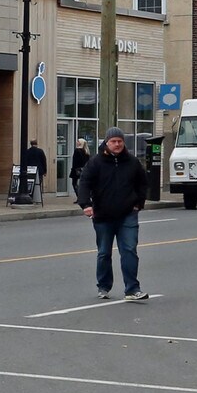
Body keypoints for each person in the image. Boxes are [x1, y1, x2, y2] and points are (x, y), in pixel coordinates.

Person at [74, 127, 149, 301]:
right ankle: (103, 286)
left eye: (120, 141)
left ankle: (132, 289)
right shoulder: (95, 162)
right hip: (103, 215)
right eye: (113, 141)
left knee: (129, 250)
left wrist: (139, 203)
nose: (117, 144)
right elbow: (85, 183)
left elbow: (142, 183)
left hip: (127, 214)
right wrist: (85, 204)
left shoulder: (132, 162)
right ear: (106, 143)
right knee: (104, 252)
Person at [21, 139, 49, 205]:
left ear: (31, 144)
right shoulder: (40, 151)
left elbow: (25, 161)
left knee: (30, 184)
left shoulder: (27, 151)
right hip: (39, 170)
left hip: (29, 170)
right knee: (38, 185)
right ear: (37, 144)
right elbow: (44, 161)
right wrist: (45, 171)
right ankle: (38, 198)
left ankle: (30, 196)